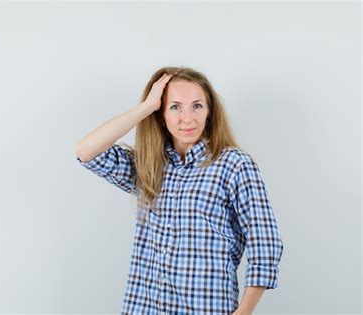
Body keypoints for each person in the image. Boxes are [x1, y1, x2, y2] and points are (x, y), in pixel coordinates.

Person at [75, 67, 284, 315]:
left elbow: (265, 243)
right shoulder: (149, 166)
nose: (188, 118)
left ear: (209, 112)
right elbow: (86, 151)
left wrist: (244, 312)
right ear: (161, 114)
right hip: (145, 308)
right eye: (175, 107)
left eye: (197, 106)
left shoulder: (234, 165)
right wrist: (145, 107)